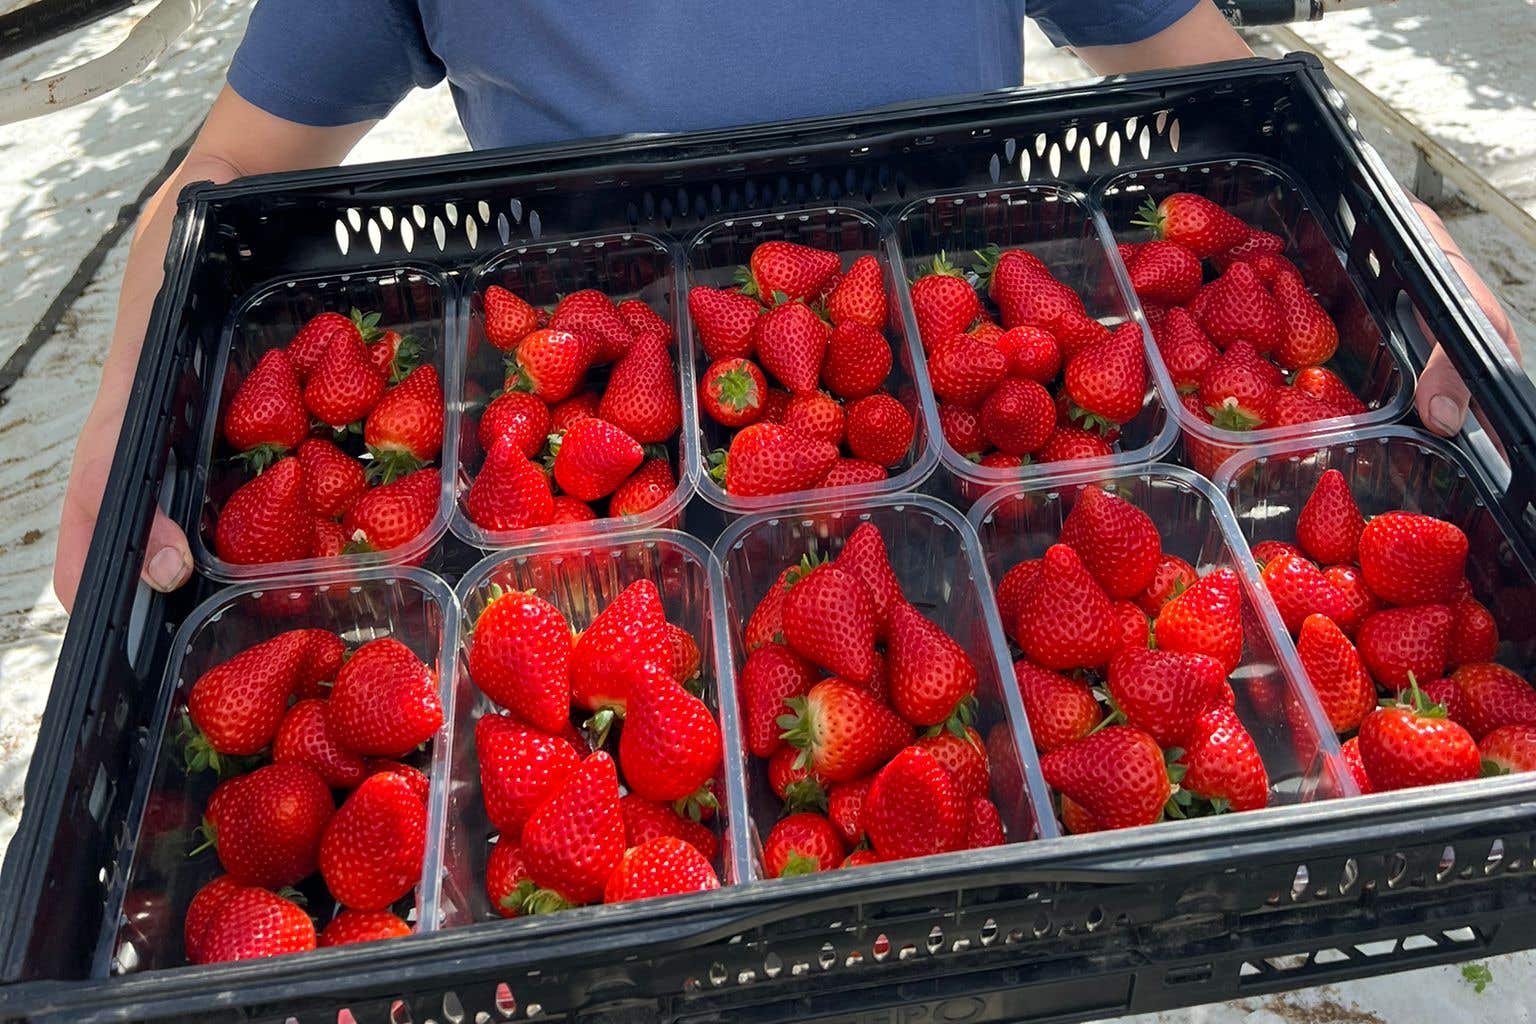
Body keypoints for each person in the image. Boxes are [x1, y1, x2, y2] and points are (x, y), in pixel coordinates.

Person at [52, 0, 1519, 610]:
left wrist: (1395, 236)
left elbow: (1213, 71)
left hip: (966, 417)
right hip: (582, 451)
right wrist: (131, 399)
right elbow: (234, 170)